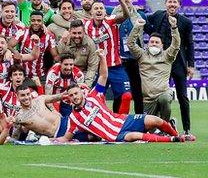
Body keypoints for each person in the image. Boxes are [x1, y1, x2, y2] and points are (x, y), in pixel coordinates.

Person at [56, 48, 192, 143]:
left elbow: (103, 75)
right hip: (116, 135)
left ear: (81, 92)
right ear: (70, 99)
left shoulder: (94, 96)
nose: (74, 96)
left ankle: (177, 134)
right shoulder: (74, 118)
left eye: (76, 93)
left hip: (124, 120)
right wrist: (48, 140)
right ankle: (173, 140)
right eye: (72, 95)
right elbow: (66, 138)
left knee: (155, 120)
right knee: (137, 136)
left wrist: (102, 57)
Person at [145, 0, 194, 135]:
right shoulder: (158, 15)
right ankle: (161, 125)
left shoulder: (186, 22)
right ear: (165, 3)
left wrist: (190, 65)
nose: (172, 4)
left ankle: (186, 129)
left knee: (183, 96)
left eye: (175, 2)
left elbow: (189, 45)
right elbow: (147, 26)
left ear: (178, 4)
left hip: (178, 63)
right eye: (170, 2)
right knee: (158, 95)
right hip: (160, 64)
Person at [83, 0, 131, 114]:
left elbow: (126, 15)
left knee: (126, 96)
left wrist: (120, 0)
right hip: (97, 70)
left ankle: (120, 123)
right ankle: (100, 124)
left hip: (115, 67)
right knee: (95, 100)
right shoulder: (85, 25)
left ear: (105, 12)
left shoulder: (111, 21)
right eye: (96, 8)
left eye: (101, 8)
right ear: (91, 12)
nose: (99, 10)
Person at [128, 17, 180, 123]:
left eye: (157, 42)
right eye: (152, 42)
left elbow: (175, 45)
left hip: (163, 94)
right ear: (148, 44)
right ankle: (170, 123)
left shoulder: (167, 56)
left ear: (162, 45)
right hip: (148, 99)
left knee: (164, 99)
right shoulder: (142, 55)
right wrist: (137, 26)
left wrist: (174, 27)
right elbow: (131, 44)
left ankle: (166, 126)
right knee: (149, 130)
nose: (154, 44)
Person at [113, 0, 148, 114]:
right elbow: (94, 6)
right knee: (120, 93)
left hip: (135, 60)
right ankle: (116, 120)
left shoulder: (141, 15)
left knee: (138, 92)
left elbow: (150, 31)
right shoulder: (113, 14)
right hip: (119, 60)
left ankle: (139, 119)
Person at [9, 11, 57, 83]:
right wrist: (16, 53)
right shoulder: (22, 32)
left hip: (40, 75)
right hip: (23, 75)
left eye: (39, 21)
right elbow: (9, 45)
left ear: (42, 22)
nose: (36, 23)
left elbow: (55, 56)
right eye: (33, 20)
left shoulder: (49, 36)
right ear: (29, 21)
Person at [56, 19, 100, 86]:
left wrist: (87, 85)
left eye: (79, 33)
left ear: (84, 32)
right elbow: (60, 59)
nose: (77, 36)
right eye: (74, 33)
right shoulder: (64, 40)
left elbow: (92, 67)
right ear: (69, 32)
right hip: (67, 70)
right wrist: (63, 43)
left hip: (83, 72)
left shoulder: (90, 44)